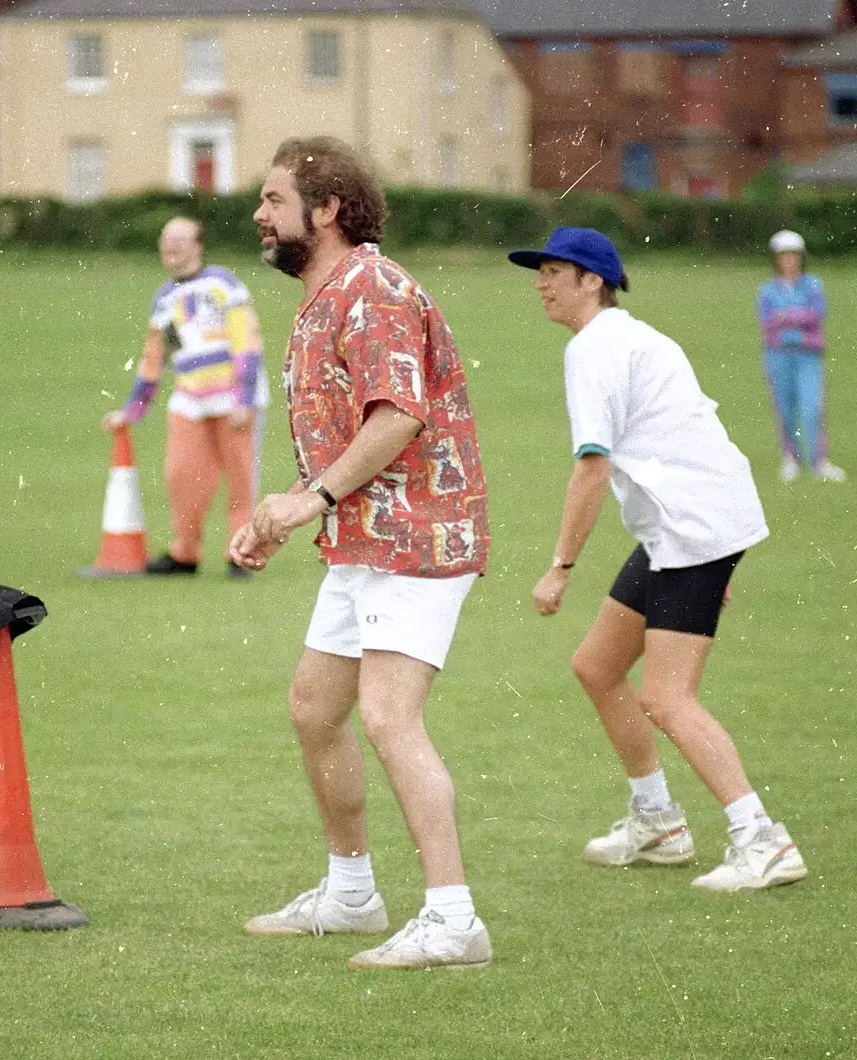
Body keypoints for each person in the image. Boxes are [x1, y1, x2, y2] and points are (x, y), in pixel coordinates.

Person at [228, 136, 493, 969]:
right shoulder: (325, 295)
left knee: (386, 715)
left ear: (328, 208)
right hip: (363, 540)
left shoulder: (371, 289)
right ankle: (352, 895)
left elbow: (399, 416)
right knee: (316, 708)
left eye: (273, 201)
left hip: (416, 537)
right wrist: (288, 516)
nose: (259, 216)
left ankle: (454, 921)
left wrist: (308, 500)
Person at [511, 227, 807, 892]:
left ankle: (762, 839)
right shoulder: (633, 337)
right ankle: (658, 822)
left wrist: (561, 566)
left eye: (553, 271)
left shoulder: (594, 350)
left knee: (668, 697)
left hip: (691, 528)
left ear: (593, 280)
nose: (541, 283)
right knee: (596, 665)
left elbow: (592, 466)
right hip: (689, 528)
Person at [102, 217, 267, 578]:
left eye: (179, 239)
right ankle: (184, 555)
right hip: (191, 400)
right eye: (165, 241)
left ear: (198, 245)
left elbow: (246, 342)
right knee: (182, 477)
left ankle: (238, 554)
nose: (171, 247)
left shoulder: (223, 285)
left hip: (233, 401)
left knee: (240, 481)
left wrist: (244, 397)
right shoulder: (164, 301)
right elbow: (154, 359)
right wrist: (132, 410)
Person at [758, 229, 845, 483]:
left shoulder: (813, 285)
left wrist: (786, 318)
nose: (789, 261)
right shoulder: (767, 290)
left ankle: (819, 461)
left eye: (793, 255)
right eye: (783, 256)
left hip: (808, 356)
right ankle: (790, 459)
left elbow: (816, 315)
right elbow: (768, 322)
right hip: (778, 356)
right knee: (784, 409)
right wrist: (797, 318)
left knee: (811, 408)